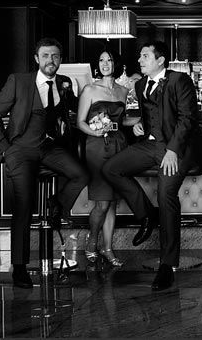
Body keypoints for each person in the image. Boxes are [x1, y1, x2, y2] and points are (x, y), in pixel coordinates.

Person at [102, 41, 202, 290]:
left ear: (160, 60)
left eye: (145, 56)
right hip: (151, 144)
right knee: (110, 169)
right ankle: (148, 214)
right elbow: (151, 116)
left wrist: (172, 150)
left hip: (179, 147)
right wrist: (141, 126)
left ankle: (167, 266)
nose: (139, 60)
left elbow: (187, 119)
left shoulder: (180, 80)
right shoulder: (140, 85)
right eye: (140, 56)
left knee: (166, 192)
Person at [0, 37, 89, 289]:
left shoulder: (65, 83)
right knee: (24, 205)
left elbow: (79, 108)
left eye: (55, 56)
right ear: (36, 59)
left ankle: (57, 205)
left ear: (61, 59)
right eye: (45, 56)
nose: (50, 60)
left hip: (49, 148)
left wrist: (100, 103)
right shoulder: (18, 81)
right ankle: (20, 268)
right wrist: (5, 148)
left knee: (81, 174)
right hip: (20, 150)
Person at [76, 49, 139, 267]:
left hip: (119, 144)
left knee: (112, 202)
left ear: (116, 64)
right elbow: (80, 122)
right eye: (101, 60)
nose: (105, 64)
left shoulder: (123, 90)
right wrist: (95, 133)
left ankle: (108, 248)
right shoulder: (90, 89)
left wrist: (139, 121)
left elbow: (122, 121)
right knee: (102, 203)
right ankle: (92, 241)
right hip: (97, 146)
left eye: (109, 60)